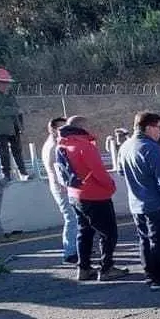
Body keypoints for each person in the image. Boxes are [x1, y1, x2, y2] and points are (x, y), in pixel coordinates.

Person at [57, 116, 129, 282]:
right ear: (82, 128)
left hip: (75, 194)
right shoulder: (84, 146)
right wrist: (110, 186)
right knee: (108, 233)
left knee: (84, 231)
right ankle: (106, 268)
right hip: (94, 195)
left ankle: (84, 268)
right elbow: (98, 171)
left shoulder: (64, 144)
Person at [118, 112, 160, 291]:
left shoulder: (125, 146)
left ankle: (149, 273)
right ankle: (159, 278)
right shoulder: (151, 147)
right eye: (158, 127)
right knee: (158, 240)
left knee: (144, 239)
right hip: (155, 202)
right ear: (148, 127)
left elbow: (122, 173)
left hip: (136, 202)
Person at [41, 116, 79, 265]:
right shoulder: (53, 146)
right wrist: (68, 187)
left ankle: (76, 247)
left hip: (61, 186)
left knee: (74, 218)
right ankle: (70, 252)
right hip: (62, 187)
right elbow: (59, 170)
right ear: (53, 130)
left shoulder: (52, 144)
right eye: (61, 128)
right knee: (71, 219)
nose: (64, 130)